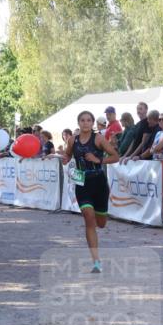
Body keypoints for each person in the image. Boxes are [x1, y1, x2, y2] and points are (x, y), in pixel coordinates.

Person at [61, 111, 119, 273]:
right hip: (82, 183)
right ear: (78, 122)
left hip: (99, 183)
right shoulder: (73, 140)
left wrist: (98, 160)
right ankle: (96, 261)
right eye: (82, 120)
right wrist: (66, 159)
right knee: (88, 217)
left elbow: (116, 156)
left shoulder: (99, 139)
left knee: (100, 223)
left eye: (88, 120)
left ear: (92, 123)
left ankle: (101, 218)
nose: (85, 123)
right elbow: (68, 154)